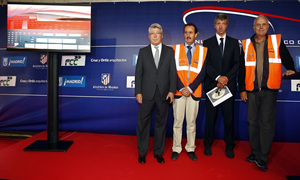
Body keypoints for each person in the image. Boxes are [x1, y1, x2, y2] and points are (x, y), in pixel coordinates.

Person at [239, 15, 296, 172]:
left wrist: (290, 68)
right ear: (254, 27)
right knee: (252, 123)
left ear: (268, 27)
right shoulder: (245, 45)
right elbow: (242, 70)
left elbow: (287, 60)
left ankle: (263, 157)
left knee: (266, 124)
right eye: (258, 24)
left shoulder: (276, 41)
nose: (261, 27)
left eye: (264, 24)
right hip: (251, 91)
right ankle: (255, 152)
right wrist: (242, 89)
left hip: (269, 91)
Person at [135, 23, 177, 164]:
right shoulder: (143, 52)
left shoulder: (169, 51)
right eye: (152, 33)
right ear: (148, 36)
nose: (154, 35)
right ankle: (142, 152)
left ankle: (158, 153)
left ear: (162, 35)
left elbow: (172, 74)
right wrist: (138, 92)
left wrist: (172, 90)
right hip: (146, 93)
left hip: (164, 94)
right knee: (143, 124)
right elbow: (138, 74)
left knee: (161, 124)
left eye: (157, 33)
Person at [203, 13, 240, 158]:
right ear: (214, 25)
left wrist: (225, 79)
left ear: (227, 25)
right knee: (210, 119)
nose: (220, 26)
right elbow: (207, 64)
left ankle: (229, 146)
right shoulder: (207, 43)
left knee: (229, 119)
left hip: (229, 87)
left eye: (223, 23)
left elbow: (237, 64)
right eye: (218, 23)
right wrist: (218, 78)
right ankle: (207, 144)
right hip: (212, 86)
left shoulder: (234, 43)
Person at [171, 23, 207, 161]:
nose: (188, 35)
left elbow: (203, 72)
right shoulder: (175, 49)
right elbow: (172, 71)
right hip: (179, 92)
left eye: (191, 32)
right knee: (178, 122)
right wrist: (181, 87)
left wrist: (190, 88)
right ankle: (176, 148)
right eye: (186, 32)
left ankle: (190, 148)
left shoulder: (204, 51)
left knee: (191, 123)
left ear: (196, 34)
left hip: (194, 92)